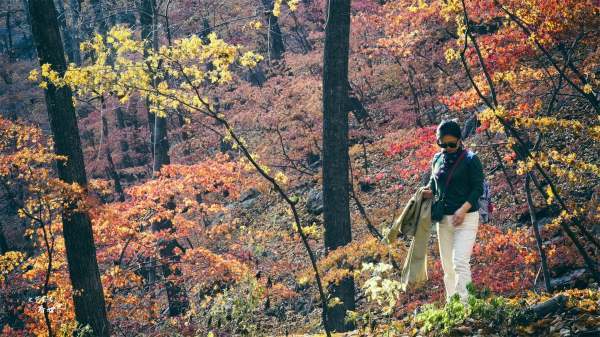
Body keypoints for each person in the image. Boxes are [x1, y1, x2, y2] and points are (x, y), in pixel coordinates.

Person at [422, 119, 484, 303]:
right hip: (444, 220)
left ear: (459, 141)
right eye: (442, 143)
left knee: (460, 262)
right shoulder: (437, 159)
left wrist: (463, 210)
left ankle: (466, 306)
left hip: (467, 218)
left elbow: (477, 189)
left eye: (451, 144)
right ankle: (452, 305)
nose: (447, 147)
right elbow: (433, 185)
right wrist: (426, 193)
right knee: (448, 267)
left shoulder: (471, 159)